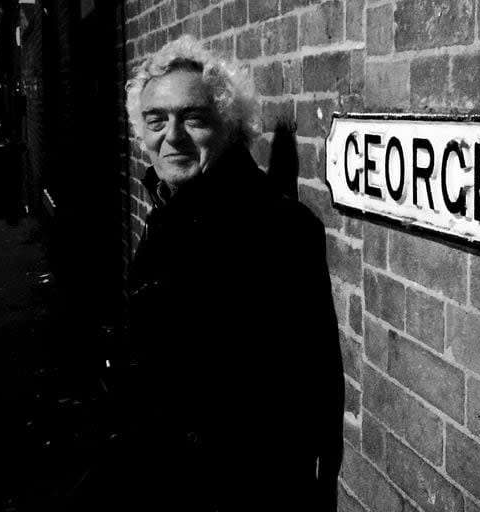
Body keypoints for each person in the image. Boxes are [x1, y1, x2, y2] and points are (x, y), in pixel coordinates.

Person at [86, 35, 344, 511]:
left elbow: (319, 391)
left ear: (228, 125)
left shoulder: (280, 228)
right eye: (156, 120)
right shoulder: (167, 210)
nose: (173, 136)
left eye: (194, 118)